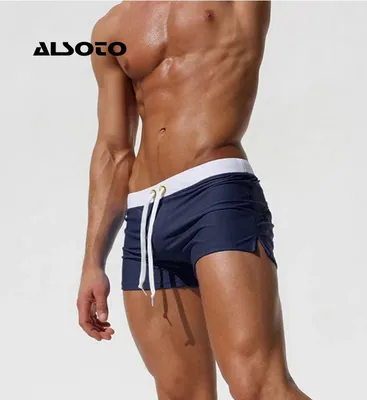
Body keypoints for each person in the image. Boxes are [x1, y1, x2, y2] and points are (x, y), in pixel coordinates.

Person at [77, 1, 311, 399]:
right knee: (181, 395)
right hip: (145, 220)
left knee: (259, 386)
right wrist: (92, 263)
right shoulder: (109, 29)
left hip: (215, 196)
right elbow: (112, 151)